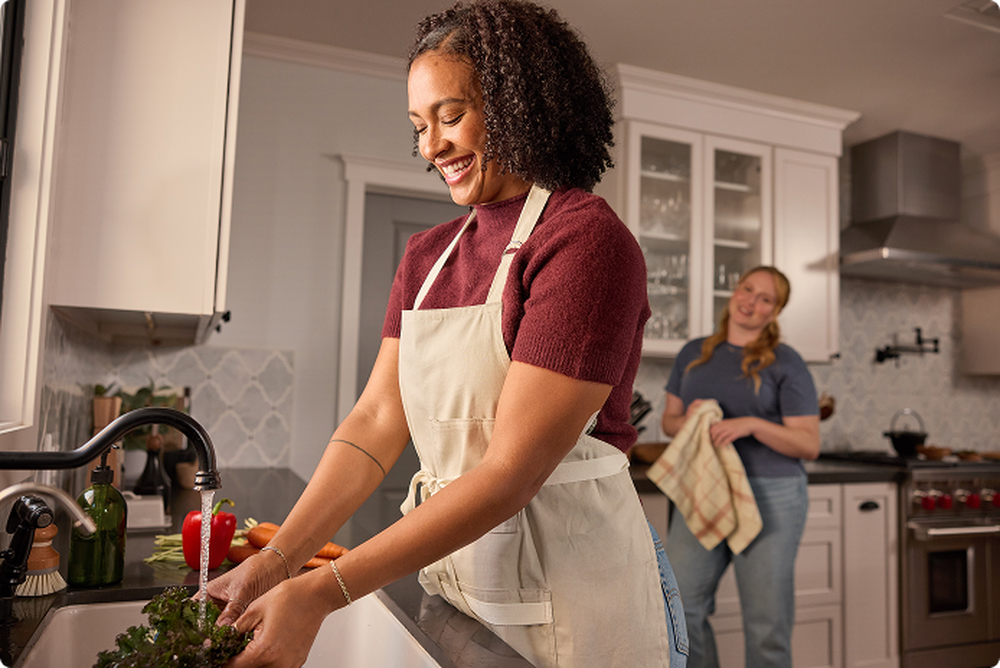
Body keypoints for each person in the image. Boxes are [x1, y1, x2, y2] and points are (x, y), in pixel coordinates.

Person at [208, 1, 687, 666]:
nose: (431, 146)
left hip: (580, 602)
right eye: (418, 125)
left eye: (451, 115)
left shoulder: (584, 241)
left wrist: (321, 593)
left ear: (520, 104)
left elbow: (512, 473)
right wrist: (277, 560)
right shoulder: (427, 257)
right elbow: (377, 419)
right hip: (460, 589)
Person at [660, 266, 820, 668]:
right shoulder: (693, 353)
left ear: (775, 311)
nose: (751, 301)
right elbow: (670, 423)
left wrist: (750, 424)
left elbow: (808, 444)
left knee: (766, 622)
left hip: (772, 494)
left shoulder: (787, 362)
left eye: (765, 298)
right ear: (735, 291)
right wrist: (693, 418)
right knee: (682, 608)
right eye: (748, 289)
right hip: (704, 488)